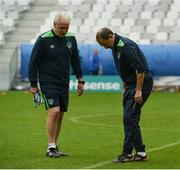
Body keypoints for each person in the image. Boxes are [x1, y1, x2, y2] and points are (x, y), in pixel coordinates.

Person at [28, 12, 85, 158]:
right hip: (48, 82)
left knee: (60, 114)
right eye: (61, 28)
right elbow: (33, 62)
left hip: (64, 83)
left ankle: (54, 146)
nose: (64, 30)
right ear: (54, 25)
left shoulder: (71, 39)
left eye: (66, 27)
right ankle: (50, 146)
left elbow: (75, 60)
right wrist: (34, 84)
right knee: (54, 111)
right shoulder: (43, 39)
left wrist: (80, 80)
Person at [96, 27, 153, 163]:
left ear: (110, 36)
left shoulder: (126, 46)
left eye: (104, 44)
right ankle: (140, 153)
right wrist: (125, 86)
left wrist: (138, 90)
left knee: (129, 118)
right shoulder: (115, 47)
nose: (104, 48)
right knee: (131, 118)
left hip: (141, 83)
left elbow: (140, 69)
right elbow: (125, 69)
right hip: (131, 85)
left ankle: (127, 154)